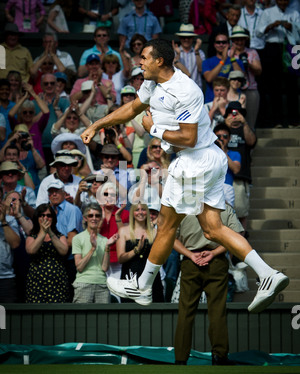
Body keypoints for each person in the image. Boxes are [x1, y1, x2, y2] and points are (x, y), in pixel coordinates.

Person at [81, 38, 289, 313]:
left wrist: (153, 128)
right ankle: (267, 274)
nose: (138, 61)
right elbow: (132, 109)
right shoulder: (152, 81)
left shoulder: (185, 90)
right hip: (204, 160)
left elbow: (188, 138)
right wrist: (97, 124)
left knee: (166, 225)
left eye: (144, 57)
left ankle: (143, 286)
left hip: (195, 161)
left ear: (160, 61)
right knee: (212, 228)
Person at [173, 204, 244, 365]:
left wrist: (190, 254)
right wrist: (214, 252)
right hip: (216, 261)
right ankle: (219, 355)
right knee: (217, 311)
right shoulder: (224, 207)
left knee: (185, 312)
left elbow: (170, 237)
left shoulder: (184, 206)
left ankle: (180, 358)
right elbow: (238, 234)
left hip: (191, 262)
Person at [255, 0, 300, 127]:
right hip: (273, 47)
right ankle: (277, 120)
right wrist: (271, 26)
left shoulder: (295, 12)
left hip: (293, 49)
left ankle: (294, 120)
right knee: (274, 85)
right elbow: (258, 32)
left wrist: (291, 26)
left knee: (292, 84)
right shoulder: (267, 12)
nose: (283, 2)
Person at [117, 202, 164, 302]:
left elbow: (161, 258)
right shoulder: (124, 231)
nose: (140, 212)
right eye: (137, 210)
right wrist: (136, 250)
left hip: (151, 279)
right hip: (130, 278)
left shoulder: (155, 232)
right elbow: (120, 258)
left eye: (143, 209)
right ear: (132, 213)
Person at [72, 203, 118, 303]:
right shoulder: (77, 238)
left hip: (102, 284)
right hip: (83, 283)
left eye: (97, 215)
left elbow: (104, 268)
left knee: (103, 318)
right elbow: (79, 267)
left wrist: (107, 246)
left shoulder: (105, 240)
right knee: (82, 317)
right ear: (85, 218)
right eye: (91, 215)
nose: (94, 218)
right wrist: (93, 248)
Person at [25, 203, 69, 303]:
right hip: (36, 282)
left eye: (49, 216)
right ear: (37, 217)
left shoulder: (60, 236)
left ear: (53, 218)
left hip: (57, 282)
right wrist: (43, 232)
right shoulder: (31, 237)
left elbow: (63, 251)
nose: (45, 218)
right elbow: (31, 250)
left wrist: (50, 232)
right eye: (42, 215)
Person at [224, 101, 255, 231]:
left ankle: (241, 243)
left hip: (241, 175)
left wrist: (244, 123)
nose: (234, 115)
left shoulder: (245, 128)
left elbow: (251, 141)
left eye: (237, 113)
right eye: (231, 113)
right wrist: (226, 124)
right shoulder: (223, 130)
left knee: (241, 213)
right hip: (223, 177)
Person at [8, 82, 50, 164]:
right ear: (20, 113)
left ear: (34, 113)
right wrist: (24, 98)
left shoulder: (38, 126)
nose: (28, 114)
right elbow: (10, 115)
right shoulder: (17, 126)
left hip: (38, 162)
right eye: (25, 112)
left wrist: (33, 94)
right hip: (20, 161)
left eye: (30, 112)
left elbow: (46, 112)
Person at [229, 25, 262, 129]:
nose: (239, 42)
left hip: (251, 90)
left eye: (242, 39)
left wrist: (248, 64)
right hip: (233, 91)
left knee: (250, 122)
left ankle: (251, 142)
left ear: (245, 39)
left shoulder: (252, 52)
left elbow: (259, 71)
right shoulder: (229, 53)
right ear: (233, 40)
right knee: (234, 121)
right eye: (236, 39)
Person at [3, 189, 33, 301]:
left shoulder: (25, 219)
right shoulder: (3, 220)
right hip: (7, 265)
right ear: (4, 201)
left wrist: (18, 215)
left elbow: (30, 231)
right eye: (13, 199)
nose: (15, 202)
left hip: (23, 265)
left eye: (19, 200)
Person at [0, 124, 45, 191]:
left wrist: (32, 147)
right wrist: (10, 140)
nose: (22, 138)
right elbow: (1, 158)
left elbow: (41, 165)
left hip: (33, 187)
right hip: (13, 187)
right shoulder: (11, 152)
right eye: (20, 135)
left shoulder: (33, 152)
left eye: (24, 135)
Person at [202, 32, 245, 103]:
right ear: (214, 45)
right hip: (212, 100)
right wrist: (223, 60)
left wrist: (232, 58)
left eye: (224, 42)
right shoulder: (207, 62)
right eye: (218, 42)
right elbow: (209, 78)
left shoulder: (236, 61)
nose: (221, 44)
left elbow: (241, 77)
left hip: (233, 100)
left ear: (228, 44)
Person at [0, 186, 21, 303]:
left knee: (7, 319)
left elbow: (15, 244)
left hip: (5, 278)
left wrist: (3, 221)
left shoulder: (9, 220)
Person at [214, 122, 241, 208]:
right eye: (218, 137)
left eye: (225, 136)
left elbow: (236, 169)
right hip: (211, 186)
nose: (221, 139)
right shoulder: (208, 153)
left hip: (227, 187)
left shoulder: (234, 154)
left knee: (227, 216)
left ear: (229, 138)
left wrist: (222, 152)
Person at [173, 23, 206, 89]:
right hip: (179, 89)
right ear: (179, 38)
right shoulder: (174, 53)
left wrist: (196, 51)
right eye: (183, 37)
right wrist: (177, 56)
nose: (186, 40)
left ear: (193, 38)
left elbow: (201, 70)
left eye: (189, 37)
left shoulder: (200, 52)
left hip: (196, 88)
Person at [0, 78, 16, 147]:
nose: (4, 91)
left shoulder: (14, 106)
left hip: (13, 145)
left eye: (7, 89)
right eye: (2, 89)